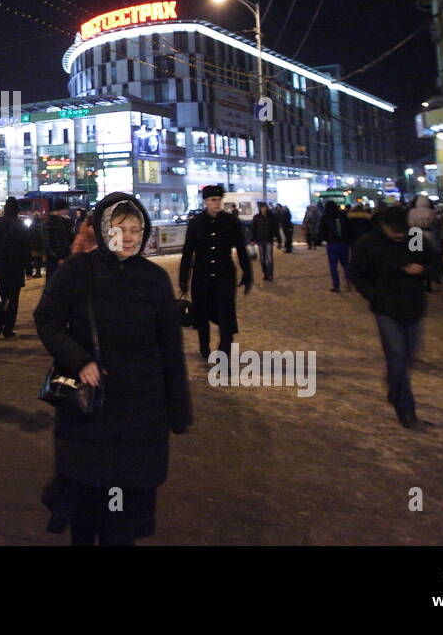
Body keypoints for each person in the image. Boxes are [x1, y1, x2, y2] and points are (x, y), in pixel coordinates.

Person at [36, 192, 192, 546]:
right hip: (89, 414)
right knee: (85, 514)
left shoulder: (154, 279)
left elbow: (171, 349)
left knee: (123, 521)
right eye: (120, 228)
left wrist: (178, 409)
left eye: (136, 229)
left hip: (141, 414)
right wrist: (80, 359)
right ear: (105, 229)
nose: (129, 236)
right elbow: (46, 318)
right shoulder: (79, 269)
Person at [349, 205, 438, 429]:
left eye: (402, 230)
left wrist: (423, 269)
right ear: (384, 226)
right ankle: (407, 412)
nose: (399, 235)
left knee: (408, 358)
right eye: (394, 230)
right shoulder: (368, 243)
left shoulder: (414, 237)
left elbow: (433, 264)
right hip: (386, 308)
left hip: (414, 306)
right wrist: (373, 296)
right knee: (397, 357)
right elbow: (357, 274)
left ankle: (394, 387)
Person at [178, 184, 252, 361]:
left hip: (224, 276)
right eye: (213, 200)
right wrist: (183, 279)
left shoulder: (231, 222)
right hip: (202, 277)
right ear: (205, 202)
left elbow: (241, 249)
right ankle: (204, 346)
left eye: (219, 199)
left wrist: (247, 273)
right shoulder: (196, 223)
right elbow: (188, 252)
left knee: (226, 316)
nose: (217, 203)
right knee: (202, 316)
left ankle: (223, 353)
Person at [0, 196, 31, 338]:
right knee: (13, 300)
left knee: (0, 296)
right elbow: (26, 249)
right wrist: (29, 269)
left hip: (0, 266)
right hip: (16, 267)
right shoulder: (20, 224)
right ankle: (8, 328)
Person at [319, 201, 352, 292]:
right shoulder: (343, 216)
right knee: (345, 264)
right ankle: (349, 282)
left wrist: (326, 239)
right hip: (344, 243)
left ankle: (336, 286)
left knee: (333, 266)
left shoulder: (325, 217)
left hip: (332, 244)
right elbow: (349, 228)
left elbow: (322, 231)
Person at [43, 198, 75, 280]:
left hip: (65, 259)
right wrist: (57, 259)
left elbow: (70, 239)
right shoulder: (50, 222)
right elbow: (47, 243)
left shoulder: (66, 221)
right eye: (66, 210)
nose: (68, 212)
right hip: (54, 262)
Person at [251, 202, 278, 281]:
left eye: (265, 207)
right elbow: (253, 229)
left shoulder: (271, 217)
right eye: (262, 208)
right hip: (260, 240)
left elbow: (275, 229)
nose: (264, 209)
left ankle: (270, 275)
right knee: (262, 259)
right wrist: (253, 239)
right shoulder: (256, 217)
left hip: (269, 240)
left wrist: (278, 240)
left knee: (269, 258)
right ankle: (265, 273)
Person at [28, 212, 47, 278]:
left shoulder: (32, 226)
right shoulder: (42, 225)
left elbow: (29, 235)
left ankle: (37, 273)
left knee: (35, 259)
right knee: (39, 259)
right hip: (41, 245)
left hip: (34, 245)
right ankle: (38, 273)